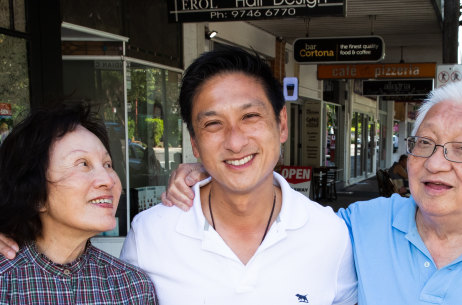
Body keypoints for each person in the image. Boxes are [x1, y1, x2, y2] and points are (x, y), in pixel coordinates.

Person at [160, 81, 462, 304]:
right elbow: (280, 219)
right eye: (424, 143)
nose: (435, 163)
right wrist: (216, 173)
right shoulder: (361, 225)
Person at [122, 46, 357, 304]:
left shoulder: (328, 234)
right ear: (195, 144)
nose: (235, 142)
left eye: (250, 116)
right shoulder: (149, 235)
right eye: (213, 124)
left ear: (282, 124)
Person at [0, 103, 158, 304]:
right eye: (83, 164)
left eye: (107, 164)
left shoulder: (132, 287)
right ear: (35, 195)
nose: (109, 180)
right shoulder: (5, 283)